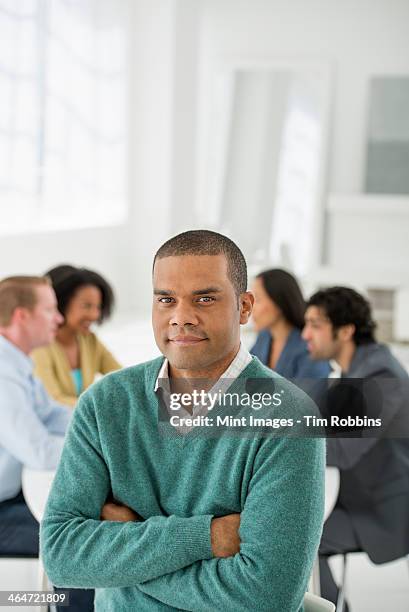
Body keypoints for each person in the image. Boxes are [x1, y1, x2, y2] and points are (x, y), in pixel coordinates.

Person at [41, 230, 325, 612]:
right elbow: (61, 556)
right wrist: (206, 537)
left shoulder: (288, 415)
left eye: (204, 299)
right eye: (166, 300)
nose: (181, 318)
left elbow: (266, 597)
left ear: (244, 307)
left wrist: (126, 551)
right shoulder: (105, 404)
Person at [302, 286, 409, 610]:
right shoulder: (352, 369)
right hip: (352, 495)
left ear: (346, 330)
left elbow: (345, 449)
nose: (306, 334)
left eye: (315, 325)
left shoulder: (380, 374)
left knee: (296, 537)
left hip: (383, 508)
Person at [0, 276, 94, 612]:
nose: (58, 318)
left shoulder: (16, 361)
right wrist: (94, 450)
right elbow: (38, 451)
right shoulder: (2, 371)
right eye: (50, 309)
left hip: (13, 497)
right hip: (5, 510)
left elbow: (54, 415)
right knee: (76, 543)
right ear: (22, 316)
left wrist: (97, 429)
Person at [32, 265, 121, 406]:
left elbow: (122, 378)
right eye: (87, 306)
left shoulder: (89, 340)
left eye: (98, 307)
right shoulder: (39, 346)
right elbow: (52, 402)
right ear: (59, 303)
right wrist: (102, 408)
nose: (94, 315)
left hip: (79, 423)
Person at [251, 268, 329, 378]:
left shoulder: (310, 347)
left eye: (257, 300)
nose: (250, 307)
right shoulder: (264, 337)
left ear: (278, 303)